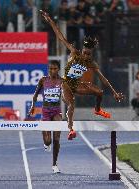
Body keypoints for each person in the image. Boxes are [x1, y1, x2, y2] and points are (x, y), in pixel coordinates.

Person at [40, 10, 124, 140]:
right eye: (84, 52)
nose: (85, 56)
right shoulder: (74, 52)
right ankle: (70, 130)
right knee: (72, 105)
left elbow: (103, 79)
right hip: (66, 85)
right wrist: (50, 20)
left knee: (99, 92)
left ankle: (97, 109)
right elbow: (60, 36)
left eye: (88, 54)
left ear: (91, 53)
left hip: (78, 85)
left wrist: (114, 92)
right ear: (82, 50)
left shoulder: (91, 63)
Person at [29, 61, 62, 174]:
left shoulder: (62, 81)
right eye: (51, 69)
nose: (53, 71)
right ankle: (46, 143)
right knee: (48, 141)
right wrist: (33, 106)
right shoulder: (43, 80)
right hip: (46, 112)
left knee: (56, 139)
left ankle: (54, 164)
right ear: (48, 69)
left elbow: (67, 95)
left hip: (57, 111)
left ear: (58, 69)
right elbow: (35, 95)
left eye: (55, 69)